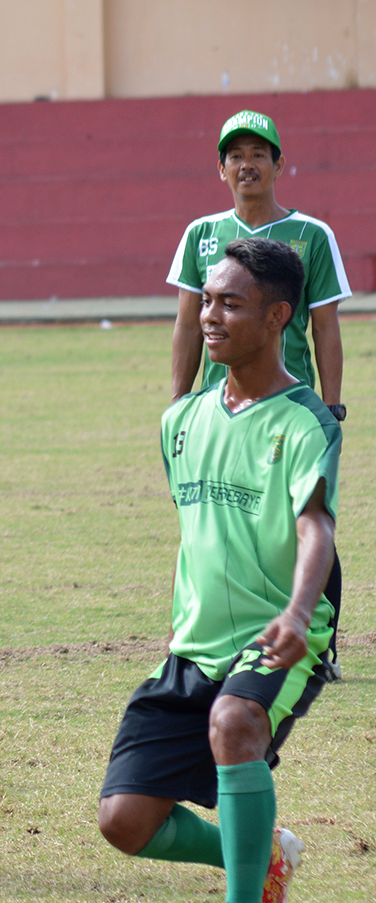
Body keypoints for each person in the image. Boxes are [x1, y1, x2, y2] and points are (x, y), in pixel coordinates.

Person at [99, 238, 339, 903]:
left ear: (277, 317)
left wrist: (299, 614)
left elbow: (316, 529)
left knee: (236, 722)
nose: (210, 315)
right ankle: (263, 849)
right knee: (125, 821)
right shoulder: (182, 423)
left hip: (282, 631)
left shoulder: (304, 422)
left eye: (230, 303)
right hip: (195, 643)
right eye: (207, 299)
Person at [166, 109, 350, 676]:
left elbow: (324, 325)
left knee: (304, 516)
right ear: (221, 169)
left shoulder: (311, 235)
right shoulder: (202, 235)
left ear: (278, 164)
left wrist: (333, 404)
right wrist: (179, 400)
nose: (248, 165)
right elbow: (184, 324)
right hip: (218, 408)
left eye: (259, 154)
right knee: (221, 514)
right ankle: (209, 638)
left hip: (284, 406)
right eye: (236, 156)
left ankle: (320, 639)